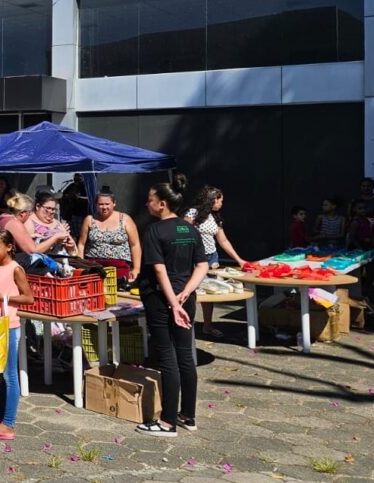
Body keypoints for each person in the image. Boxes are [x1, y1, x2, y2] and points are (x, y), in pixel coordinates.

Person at [136, 182, 208, 438]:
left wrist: (174, 304)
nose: (147, 204)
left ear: (162, 204)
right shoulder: (190, 229)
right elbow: (202, 265)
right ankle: (187, 415)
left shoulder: (154, 230)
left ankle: (167, 422)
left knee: (167, 357)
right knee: (185, 355)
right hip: (184, 298)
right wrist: (186, 293)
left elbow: (159, 269)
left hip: (161, 299)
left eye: (150, 199)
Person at [0, 229, 33, 441]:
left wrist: (4, 298)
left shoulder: (15, 269)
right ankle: (1, 417)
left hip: (9, 326)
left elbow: (28, 298)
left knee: (10, 375)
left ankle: (8, 423)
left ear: (9, 247)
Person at [184, 186, 248, 339]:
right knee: (191, 290)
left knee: (211, 290)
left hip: (211, 257)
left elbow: (223, 240)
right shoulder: (192, 213)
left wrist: (239, 260)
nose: (221, 203)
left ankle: (207, 325)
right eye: (220, 200)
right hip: (194, 257)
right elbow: (184, 235)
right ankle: (185, 324)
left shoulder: (215, 217)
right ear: (211, 199)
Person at [77, 190, 143, 282]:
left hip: (119, 267)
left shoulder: (125, 219)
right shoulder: (90, 220)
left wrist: (136, 269)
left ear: (114, 203)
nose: (104, 207)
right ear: (96, 205)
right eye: (100, 204)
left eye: (107, 204)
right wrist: (81, 266)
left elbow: (135, 245)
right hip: (94, 267)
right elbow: (81, 244)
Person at [0, 193, 71, 255]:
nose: (31, 215)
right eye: (30, 212)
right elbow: (33, 251)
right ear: (22, 213)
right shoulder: (15, 224)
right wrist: (55, 237)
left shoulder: (2, 217)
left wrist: (30, 236)